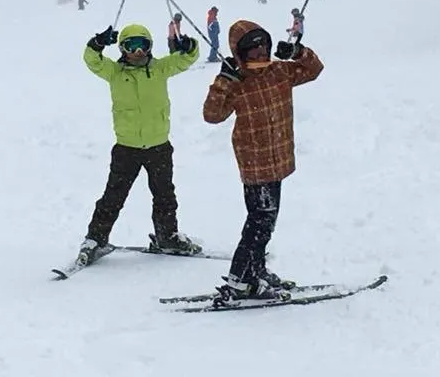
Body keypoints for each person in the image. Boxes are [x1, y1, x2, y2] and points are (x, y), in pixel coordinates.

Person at [203, 21, 324, 301]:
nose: (260, 52)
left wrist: (297, 51)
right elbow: (212, 115)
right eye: (252, 48)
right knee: (260, 222)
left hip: (278, 159)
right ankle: (241, 280)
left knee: (264, 221)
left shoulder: (280, 72)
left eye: (264, 45)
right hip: (255, 163)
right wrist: (223, 80)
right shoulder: (237, 82)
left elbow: (314, 70)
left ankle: (255, 268)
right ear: (240, 53)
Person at [76, 23, 202, 266]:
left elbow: (187, 59)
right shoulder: (114, 72)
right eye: (131, 46)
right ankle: (95, 239)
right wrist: (97, 43)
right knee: (114, 196)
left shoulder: (160, 68)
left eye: (142, 45)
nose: (137, 52)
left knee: (164, 195)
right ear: (122, 49)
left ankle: (167, 236)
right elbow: (92, 60)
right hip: (127, 148)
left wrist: (189, 46)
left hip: (159, 146)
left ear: (149, 47)